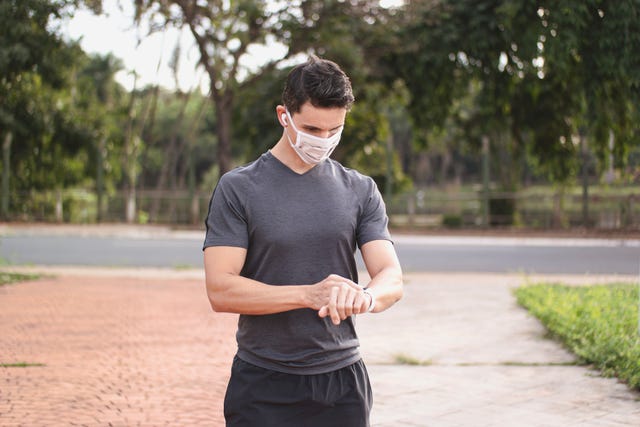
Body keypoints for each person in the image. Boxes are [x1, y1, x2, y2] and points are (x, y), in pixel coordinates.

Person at [203, 55, 403, 427]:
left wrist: (366, 297)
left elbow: (391, 275)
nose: (323, 140)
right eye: (312, 128)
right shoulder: (239, 188)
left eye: (334, 130)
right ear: (284, 115)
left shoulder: (360, 189)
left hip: (343, 383)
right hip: (263, 382)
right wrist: (308, 295)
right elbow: (221, 290)